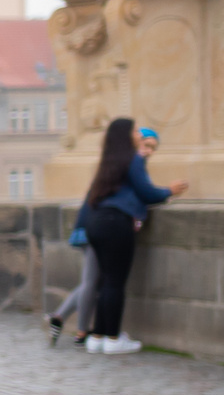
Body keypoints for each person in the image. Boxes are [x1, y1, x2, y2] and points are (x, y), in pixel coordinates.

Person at [79, 116, 187, 355]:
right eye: (136, 130)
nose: (139, 133)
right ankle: (114, 339)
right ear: (127, 135)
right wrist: (170, 190)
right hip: (116, 223)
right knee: (116, 282)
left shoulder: (109, 161)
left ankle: (97, 336)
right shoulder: (133, 159)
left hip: (96, 222)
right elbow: (146, 192)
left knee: (105, 281)